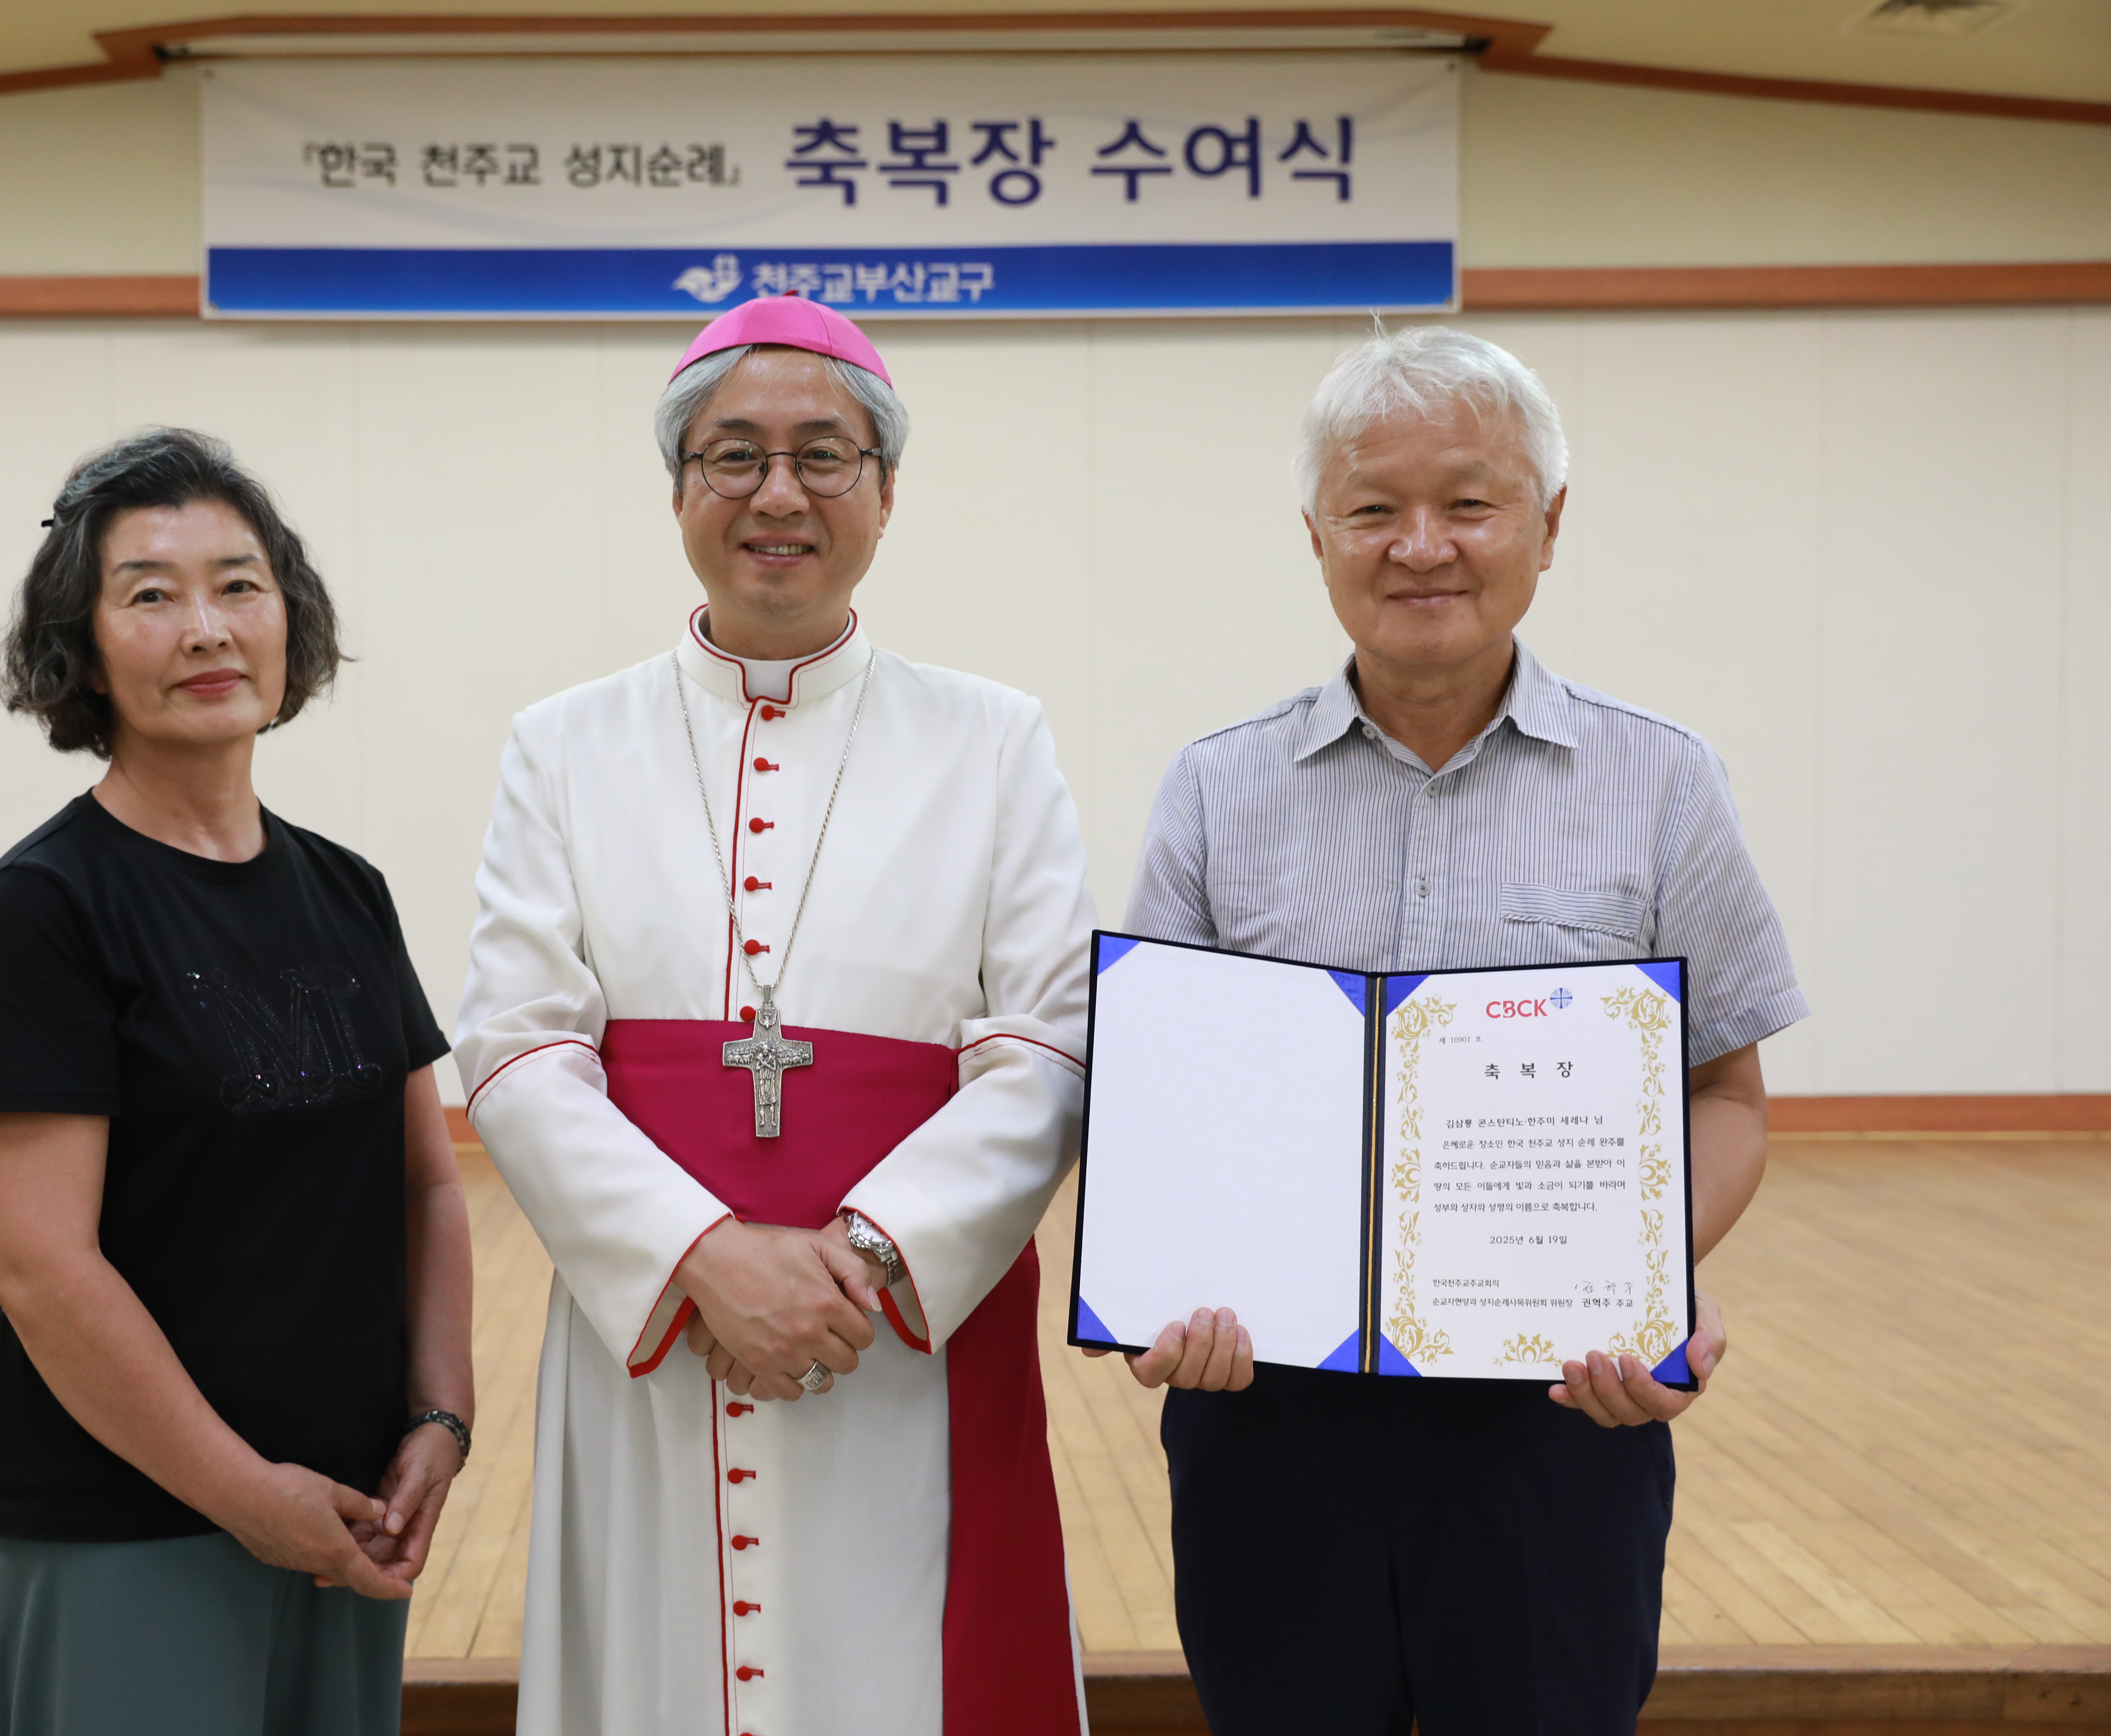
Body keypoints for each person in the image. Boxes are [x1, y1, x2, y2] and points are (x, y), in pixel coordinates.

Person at [1101, 326, 1806, 1735]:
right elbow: (1160, 1106)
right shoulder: (1216, 789)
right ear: (1317, 536)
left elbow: (1728, 1092)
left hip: (1555, 1411)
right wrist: (1157, 1285)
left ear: (1548, 526)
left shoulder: (1660, 780)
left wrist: (1646, 1283)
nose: (1421, 545)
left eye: (1468, 503)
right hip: (1270, 1411)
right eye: (1374, 508)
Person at [455, 297, 1096, 1736]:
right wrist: (702, 1257)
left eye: (826, 454)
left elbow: (1046, 1043)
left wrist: (859, 1260)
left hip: (901, 1337)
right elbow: (517, 1044)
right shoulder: (564, 745)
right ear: (679, 489)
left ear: (885, 492)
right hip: (658, 1330)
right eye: (733, 456)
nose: (779, 494)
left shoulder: (994, 738)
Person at [0, 429, 475, 1736]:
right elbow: (40, 1270)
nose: (206, 628)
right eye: (150, 593)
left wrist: (441, 1417)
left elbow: (427, 1184)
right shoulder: (40, 913)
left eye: (240, 584)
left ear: (291, 617)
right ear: (83, 644)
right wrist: (245, 1494)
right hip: (130, 1528)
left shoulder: (346, 890)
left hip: (349, 1516)